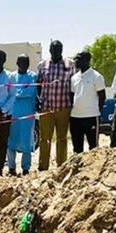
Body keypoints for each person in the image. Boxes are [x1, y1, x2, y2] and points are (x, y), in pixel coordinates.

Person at [36, 40, 73, 170]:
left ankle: (61, 167)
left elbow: (74, 85)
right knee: (44, 139)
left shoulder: (71, 64)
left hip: (64, 107)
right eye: (53, 49)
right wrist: (38, 100)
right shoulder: (42, 65)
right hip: (47, 108)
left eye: (58, 49)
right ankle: (43, 167)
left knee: (62, 139)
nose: (55, 52)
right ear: (49, 50)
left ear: (62, 50)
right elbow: (38, 84)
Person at [69, 49, 107, 153]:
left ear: (87, 60)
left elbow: (102, 97)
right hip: (75, 117)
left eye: (78, 59)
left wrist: (96, 111)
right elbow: (72, 96)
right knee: (77, 149)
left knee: (93, 148)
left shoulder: (97, 76)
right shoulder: (74, 78)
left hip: (91, 117)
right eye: (75, 59)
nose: (76, 61)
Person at [7, 54, 38, 175]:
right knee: (11, 141)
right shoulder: (12, 76)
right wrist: (19, 91)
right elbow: (10, 92)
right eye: (21, 62)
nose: (24, 65)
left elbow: (29, 92)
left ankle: (26, 168)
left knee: (26, 142)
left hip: (27, 114)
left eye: (26, 62)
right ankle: (11, 167)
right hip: (13, 114)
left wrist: (17, 92)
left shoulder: (32, 76)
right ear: (17, 63)